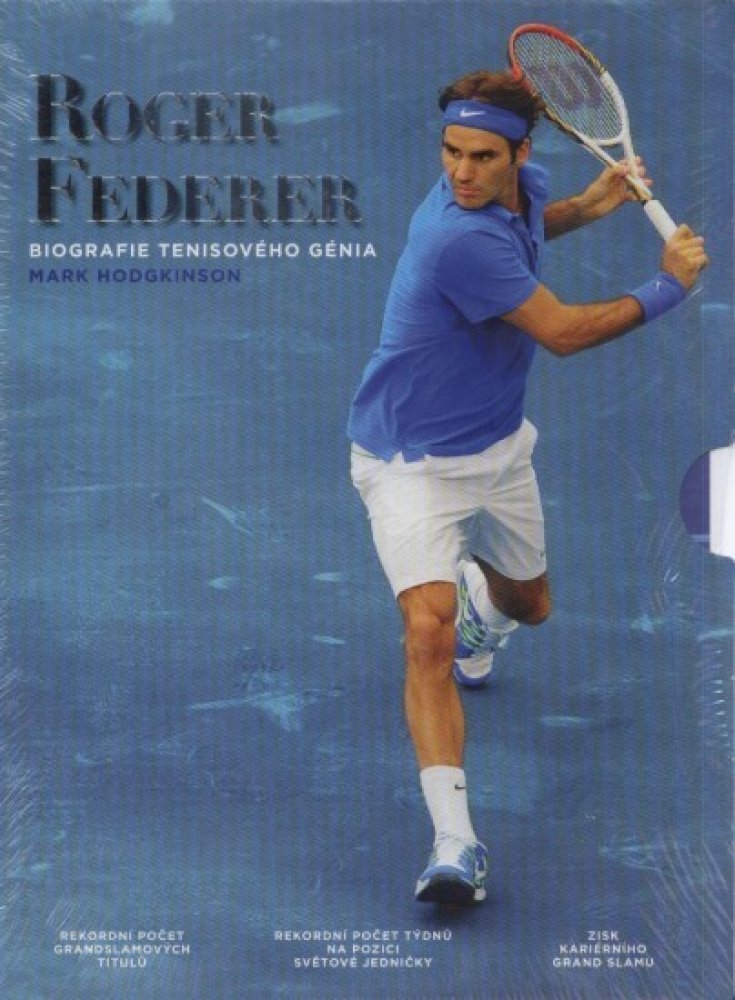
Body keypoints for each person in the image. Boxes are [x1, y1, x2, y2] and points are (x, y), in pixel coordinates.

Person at [347, 70, 708, 906]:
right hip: (408, 462)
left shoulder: (521, 192)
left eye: (481, 156)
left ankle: (485, 613)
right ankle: (454, 844)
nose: (460, 172)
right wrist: (667, 286)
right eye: (450, 152)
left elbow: (528, 227)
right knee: (426, 634)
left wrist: (590, 205)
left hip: (499, 449)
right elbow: (563, 333)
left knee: (529, 605)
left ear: (520, 154)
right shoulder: (452, 234)